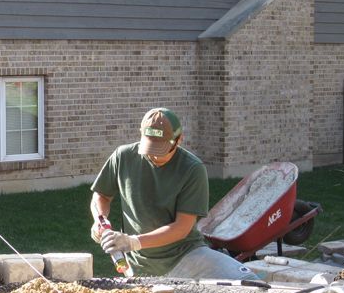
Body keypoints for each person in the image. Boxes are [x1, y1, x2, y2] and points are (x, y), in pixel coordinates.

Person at [89, 108, 259, 280]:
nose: (154, 155)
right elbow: (102, 195)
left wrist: (132, 242)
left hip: (185, 257)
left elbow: (181, 228)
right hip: (139, 264)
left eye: (161, 149)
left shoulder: (192, 169)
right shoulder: (123, 157)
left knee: (249, 283)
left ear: (179, 140)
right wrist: (100, 220)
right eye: (150, 147)